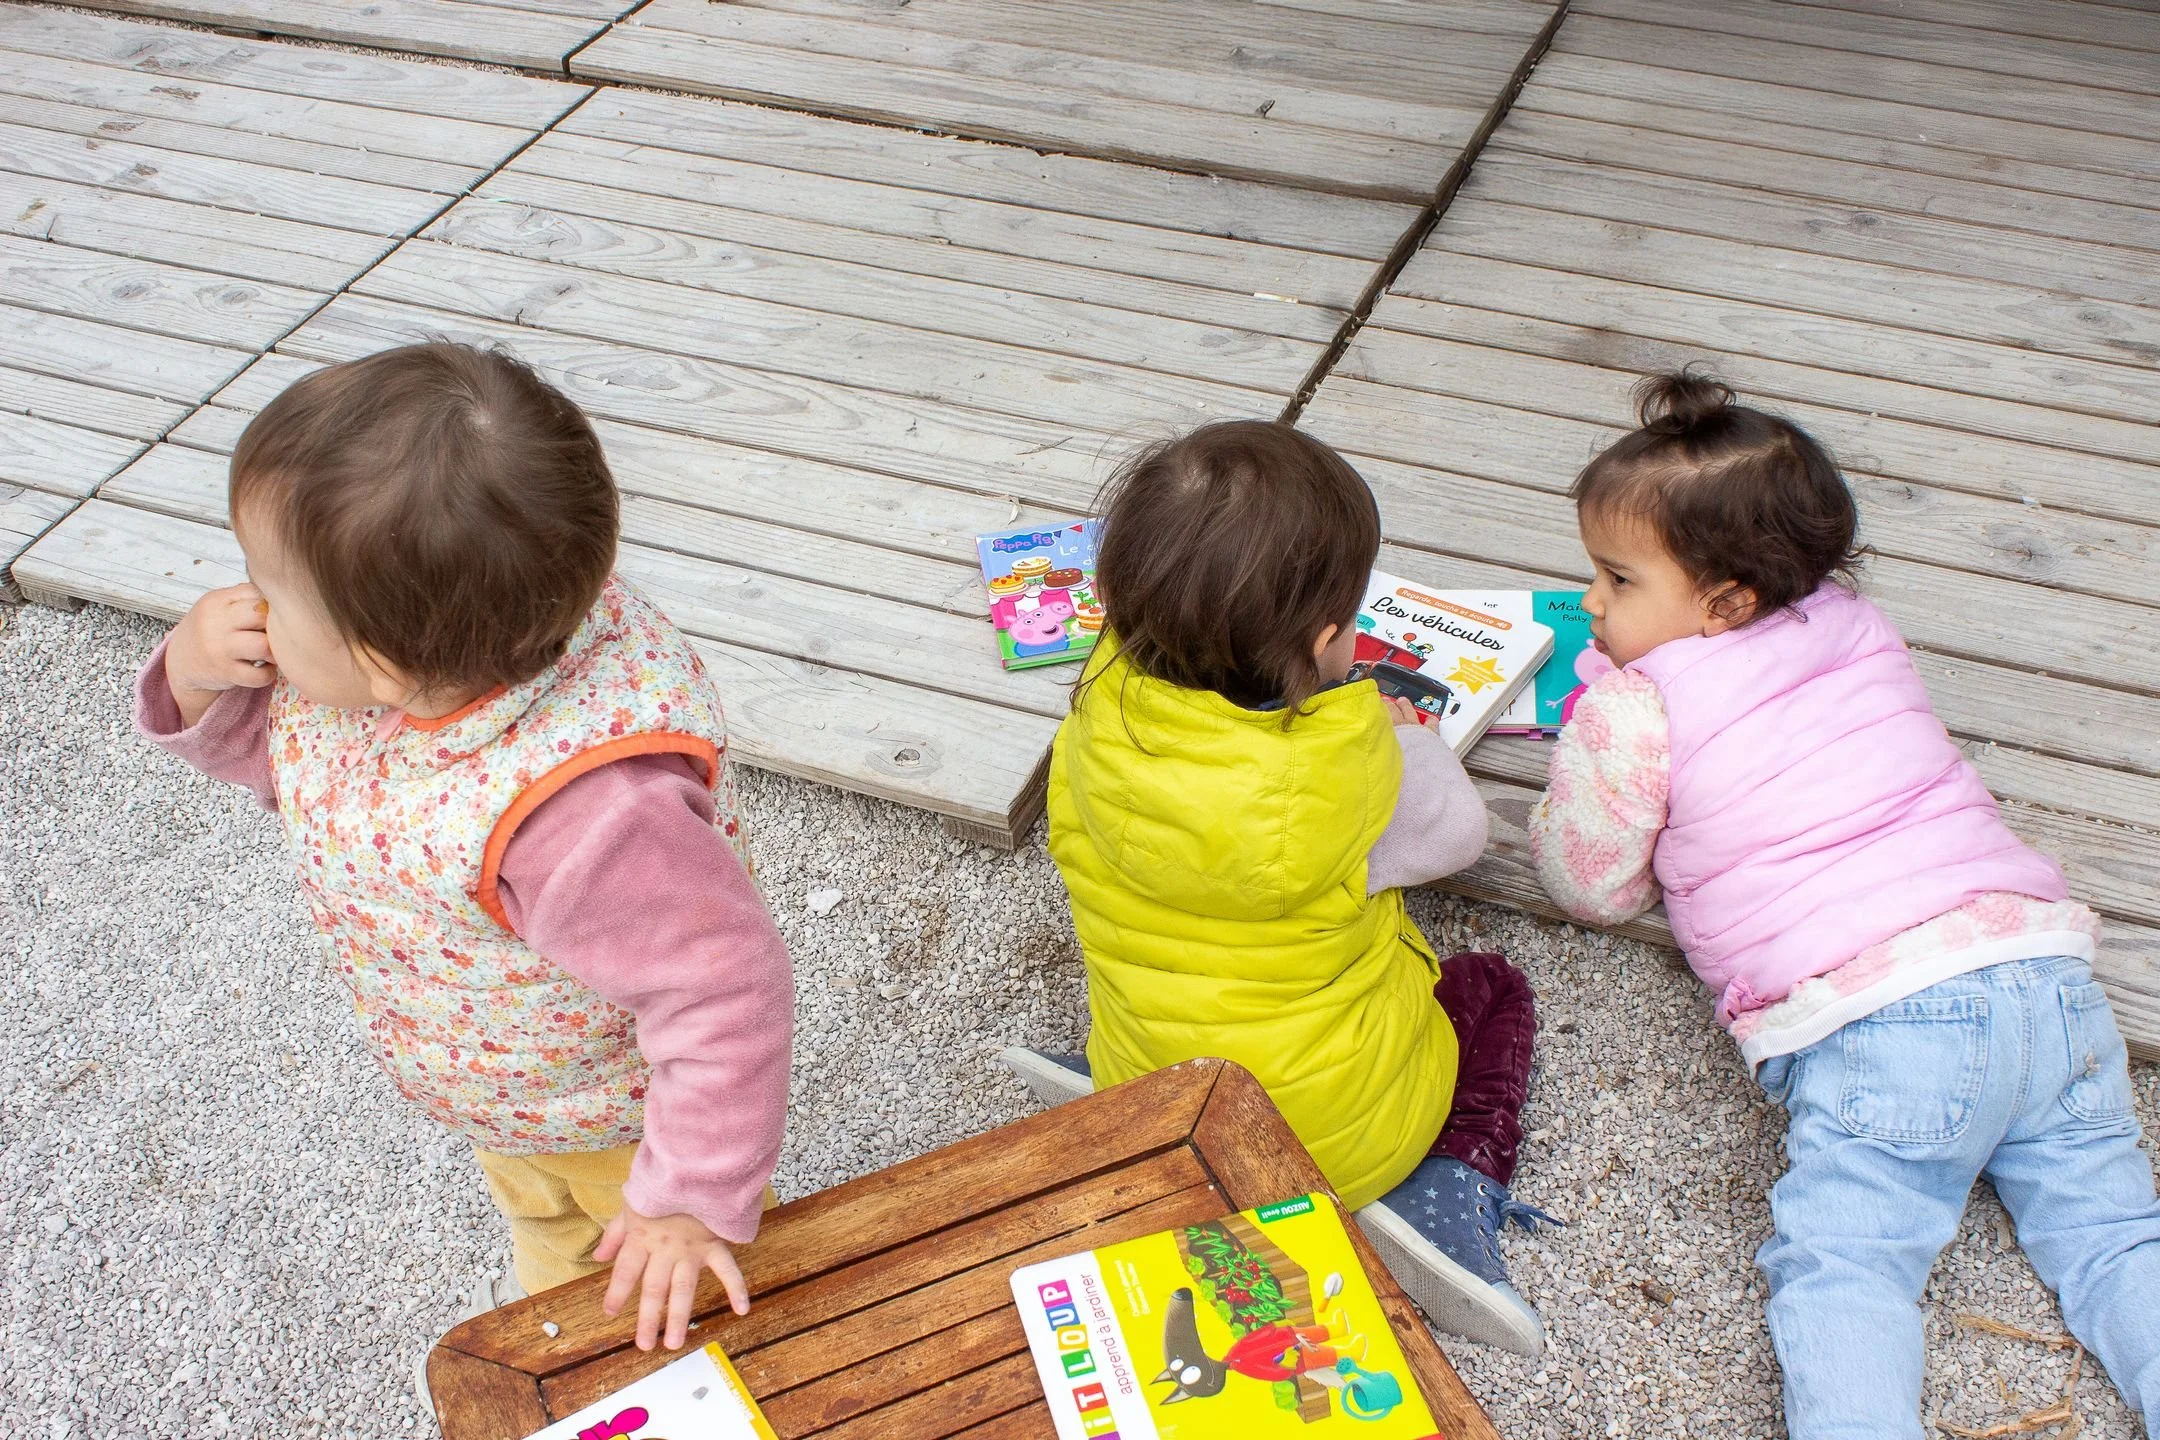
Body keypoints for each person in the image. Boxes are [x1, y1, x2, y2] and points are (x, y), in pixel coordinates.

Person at [1530, 370, 2160, 1436]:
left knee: (1847, 1265)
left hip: (1885, 1020)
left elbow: (1588, 884)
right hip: (2038, 970)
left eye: (1616, 580)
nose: (1590, 600)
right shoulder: (1856, 626)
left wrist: (1584, 781)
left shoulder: (1634, 708)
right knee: (2114, 1235)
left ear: (1726, 602)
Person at [136, 343, 793, 1364]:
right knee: (544, 1216)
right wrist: (193, 676)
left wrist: (688, 1199)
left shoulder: (584, 818)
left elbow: (724, 992)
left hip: (615, 1112)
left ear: (383, 663)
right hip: (505, 1081)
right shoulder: (461, 636)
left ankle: (651, 1344)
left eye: (268, 586)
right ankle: (562, 1283)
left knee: (655, 1273)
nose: (245, 604)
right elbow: (305, 775)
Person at [1002, 421, 1557, 1357]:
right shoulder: (1350, 769)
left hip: (1169, 1091)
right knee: (1492, 988)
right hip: (1338, 1140)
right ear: (1325, 640)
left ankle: (1113, 1080)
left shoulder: (1095, 716)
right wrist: (1404, 739)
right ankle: (1440, 1188)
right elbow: (1458, 838)